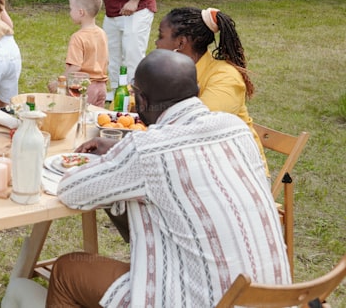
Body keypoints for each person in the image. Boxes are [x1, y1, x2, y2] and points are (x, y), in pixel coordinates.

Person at [40, 49, 289, 308]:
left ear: (142, 100)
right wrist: (120, 155)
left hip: (201, 300)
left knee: (67, 271)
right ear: (197, 89)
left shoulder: (148, 149)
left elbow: (71, 190)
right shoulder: (236, 129)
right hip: (274, 298)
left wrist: (116, 162)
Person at [154, 6, 265, 159]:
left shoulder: (226, 77)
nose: (156, 43)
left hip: (239, 171)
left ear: (181, 43)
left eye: (160, 36)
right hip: (194, 158)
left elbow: (200, 127)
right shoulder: (170, 70)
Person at [50, 0, 108, 106]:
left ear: (81, 12)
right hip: (101, 87)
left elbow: (75, 67)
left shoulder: (78, 37)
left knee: (76, 118)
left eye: (71, 9)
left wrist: (58, 82)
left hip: (84, 88)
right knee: (94, 120)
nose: (70, 12)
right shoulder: (102, 33)